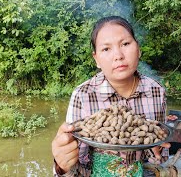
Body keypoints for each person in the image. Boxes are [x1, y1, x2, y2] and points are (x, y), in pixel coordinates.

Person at [52, 16, 170, 176]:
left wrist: (156, 152)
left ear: (139, 49)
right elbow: (72, 165)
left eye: (126, 44)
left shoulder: (156, 91)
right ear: (96, 59)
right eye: (106, 49)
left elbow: (159, 151)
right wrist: (61, 165)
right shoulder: (82, 95)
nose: (118, 55)